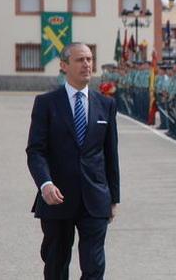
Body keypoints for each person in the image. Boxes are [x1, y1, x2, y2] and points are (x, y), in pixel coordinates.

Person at [26, 43, 120, 280]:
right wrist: (45, 184)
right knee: (56, 264)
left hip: (95, 198)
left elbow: (110, 154)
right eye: (80, 60)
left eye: (89, 59)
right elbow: (36, 151)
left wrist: (113, 198)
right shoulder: (46, 103)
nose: (87, 64)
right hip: (57, 197)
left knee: (94, 266)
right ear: (64, 65)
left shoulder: (105, 104)